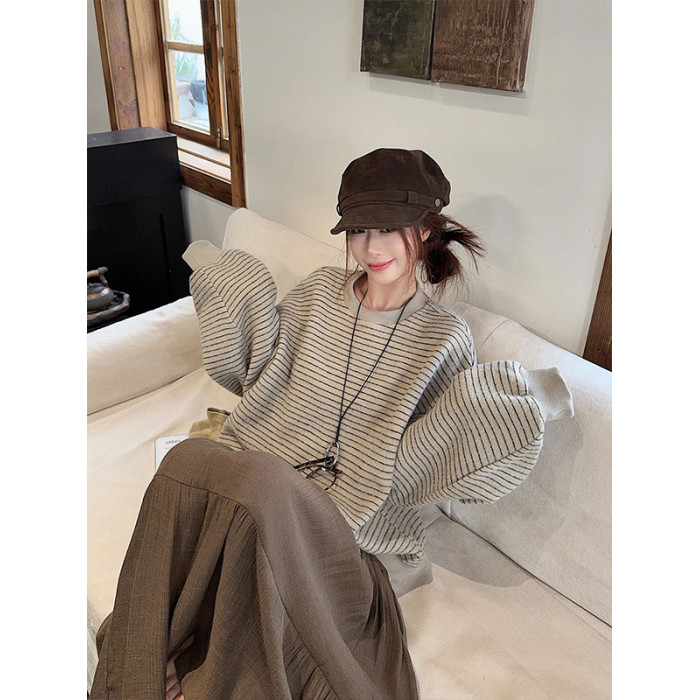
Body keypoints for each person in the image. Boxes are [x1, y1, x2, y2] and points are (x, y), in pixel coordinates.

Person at [90, 148, 573, 700]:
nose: (371, 248)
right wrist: (229, 288)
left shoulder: (443, 337)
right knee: (189, 461)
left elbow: (431, 458)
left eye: (388, 229)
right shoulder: (320, 291)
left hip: (339, 540)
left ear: (425, 229)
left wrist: (515, 405)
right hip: (261, 497)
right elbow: (263, 367)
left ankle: (183, 652)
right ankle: (157, 655)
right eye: (359, 230)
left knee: (260, 484)